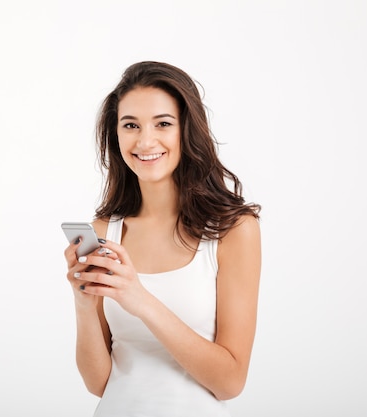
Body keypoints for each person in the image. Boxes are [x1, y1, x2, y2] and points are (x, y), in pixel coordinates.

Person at [63, 61, 261, 417]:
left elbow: (230, 381)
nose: (145, 141)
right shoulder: (106, 231)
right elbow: (99, 383)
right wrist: (83, 304)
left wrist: (139, 299)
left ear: (187, 130)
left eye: (163, 124)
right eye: (131, 125)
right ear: (116, 134)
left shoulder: (234, 230)